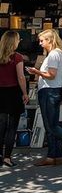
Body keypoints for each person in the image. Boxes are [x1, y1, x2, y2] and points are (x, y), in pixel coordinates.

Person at [28, 29, 62, 166]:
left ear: (49, 40)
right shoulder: (60, 54)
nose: (40, 43)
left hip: (49, 91)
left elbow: (51, 75)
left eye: (42, 40)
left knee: (51, 126)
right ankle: (54, 155)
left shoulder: (54, 55)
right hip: (53, 91)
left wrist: (36, 71)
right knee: (52, 124)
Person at [0, 30, 29, 167]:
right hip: (12, 93)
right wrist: (25, 93)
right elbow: (20, 77)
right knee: (11, 127)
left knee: (1, 126)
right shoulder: (17, 57)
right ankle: (7, 157)